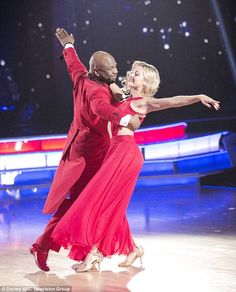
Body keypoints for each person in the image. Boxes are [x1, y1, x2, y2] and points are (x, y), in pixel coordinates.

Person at [50, 60, 220, 272]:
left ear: (146, 82)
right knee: (112, 205)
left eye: (137, 74)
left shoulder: (143, 102)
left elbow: (174, 101)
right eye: (131, 71)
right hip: (113, 152)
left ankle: (95, 254)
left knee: (102, 203)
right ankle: (134, 248)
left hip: (126, 153)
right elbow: (97, 77)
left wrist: (198, 97)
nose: (131, 75)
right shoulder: (119, 95)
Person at [29, 28, 142, 272]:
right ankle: (43, 244)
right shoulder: (97, 91)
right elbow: (101, 108)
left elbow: (73, 64)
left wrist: (68, 46)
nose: (116, 72)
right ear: (99, 72)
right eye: (111, 69)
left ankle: (127, 247)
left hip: (86, 151)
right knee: (82, 202)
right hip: (89, 157)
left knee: (107, 199)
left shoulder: (83, 77)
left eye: (115, 67)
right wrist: (124, 119)